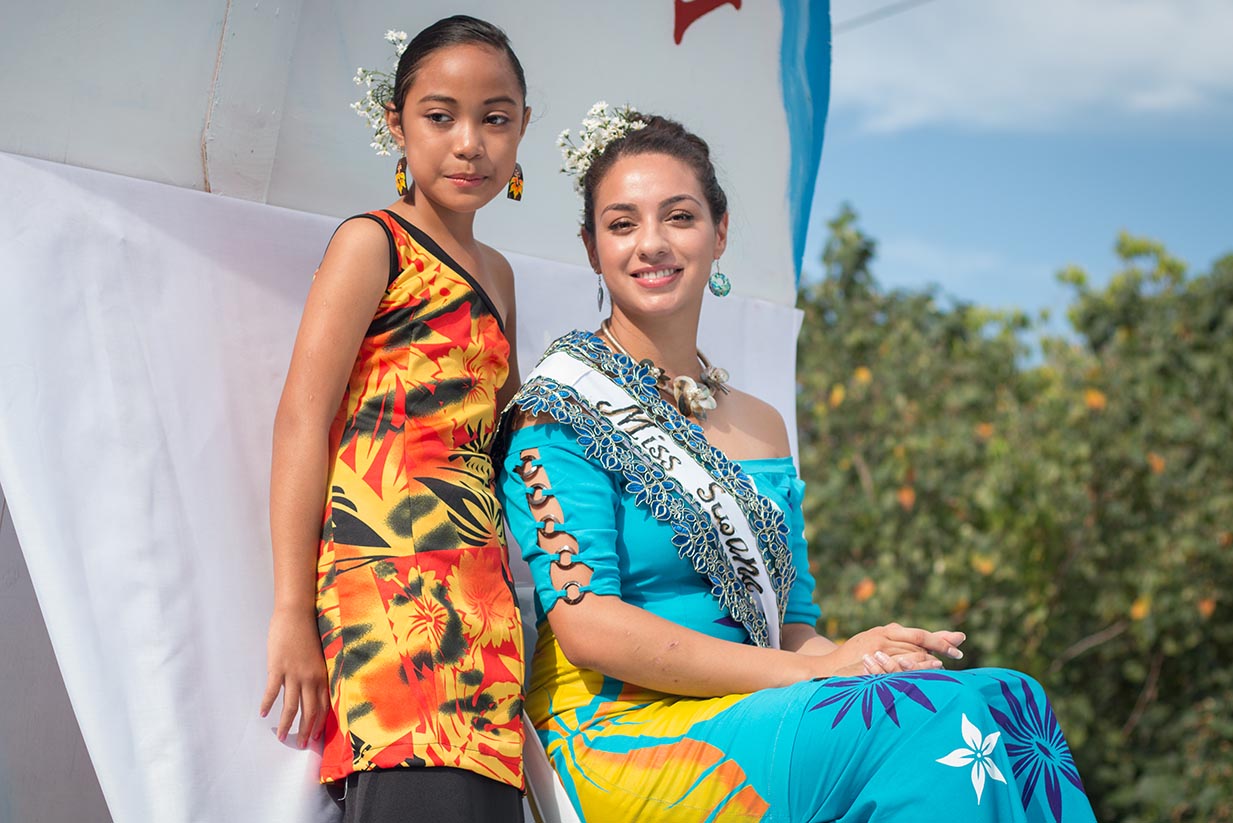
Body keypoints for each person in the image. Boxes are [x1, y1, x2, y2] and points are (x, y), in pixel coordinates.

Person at [495, 105, 1098, 822]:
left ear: (719, 232)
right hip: (616, 733)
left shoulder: (759, 422)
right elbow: (589, 625)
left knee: (1007, 699)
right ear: (592, 248)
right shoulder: (560, 406)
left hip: (758, 705)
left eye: (678, 217)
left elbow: (793, 623)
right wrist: (815, 672)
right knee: (929, 723)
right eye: (622, 224)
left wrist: (866, 655)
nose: (650, 243)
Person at [260, 15, 529, 822]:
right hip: (389, 615)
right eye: (440, 116)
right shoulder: (370, 243)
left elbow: (496, 446)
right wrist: (289, 613)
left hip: (486, 623)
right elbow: (301, 423)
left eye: (496, 118)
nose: (469, 143)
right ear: (396, 126)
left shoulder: (502, 276)